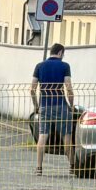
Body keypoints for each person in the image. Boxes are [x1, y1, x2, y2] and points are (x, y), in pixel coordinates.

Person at [32, 43, 75, 174]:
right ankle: (72, 166)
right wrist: (71, 105)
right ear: (60, 52)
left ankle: (39, 167)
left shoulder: (39, 66)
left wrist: (36, 106)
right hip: (61, 105)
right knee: (66, 136)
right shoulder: (65, 66)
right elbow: (69, 88)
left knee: (43, 135)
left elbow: (32, 89)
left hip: (44, 105)